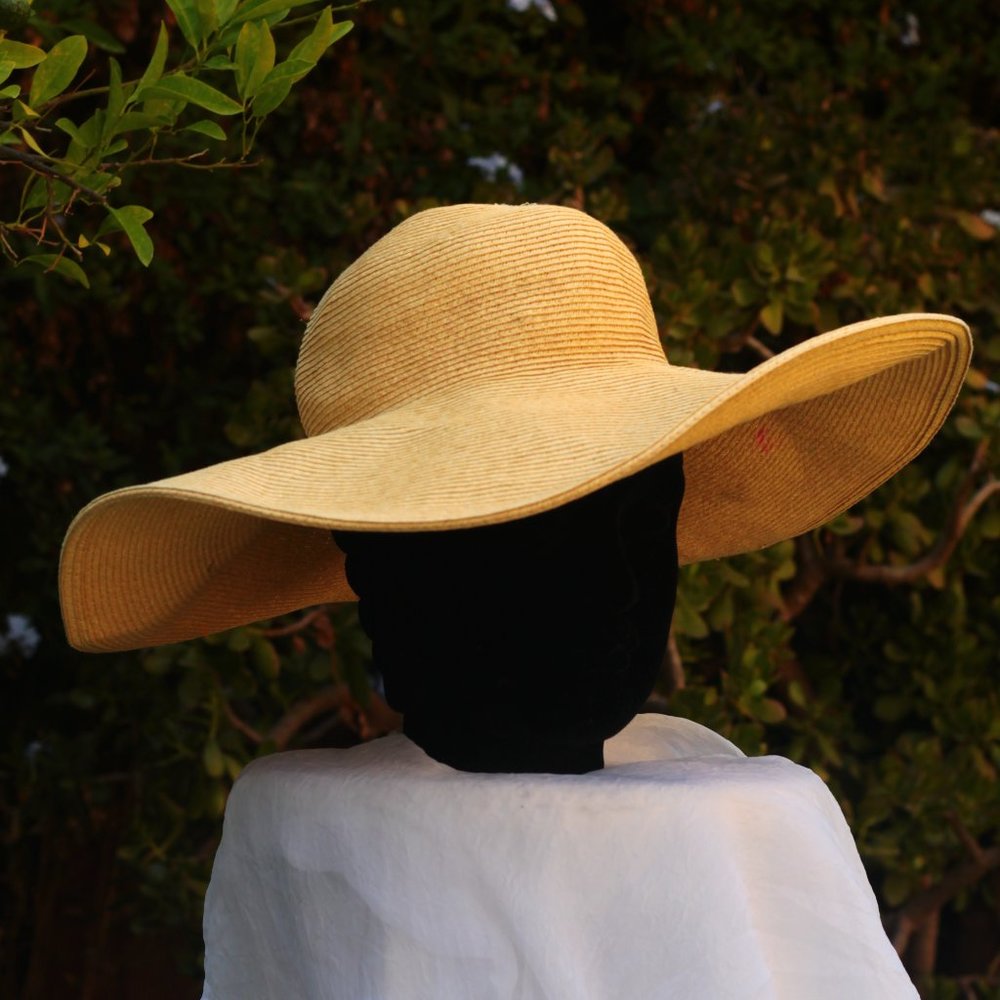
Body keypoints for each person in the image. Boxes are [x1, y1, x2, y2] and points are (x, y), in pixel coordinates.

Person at [60, 203, 971, 998]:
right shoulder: (309, 857)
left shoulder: (755, 840)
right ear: (376, 565)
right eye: (539, 535)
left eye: (648, 522)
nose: (622, 591)